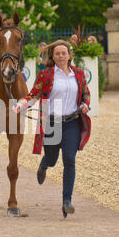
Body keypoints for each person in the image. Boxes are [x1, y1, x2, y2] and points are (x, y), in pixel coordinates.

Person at [12, 40, 91, 218]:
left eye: (64, 53)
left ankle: (67, 201)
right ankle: (44, 165)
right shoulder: (46, 74)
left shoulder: (78, 74)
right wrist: (21, 105)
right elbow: (34, 94)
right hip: (52, 123)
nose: (61, 56)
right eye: (57, 54)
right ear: (52, 57)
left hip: (72, 122)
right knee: (53, 158)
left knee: (70, 159)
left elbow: (86, 93)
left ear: (70, 55)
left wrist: (85, 104)